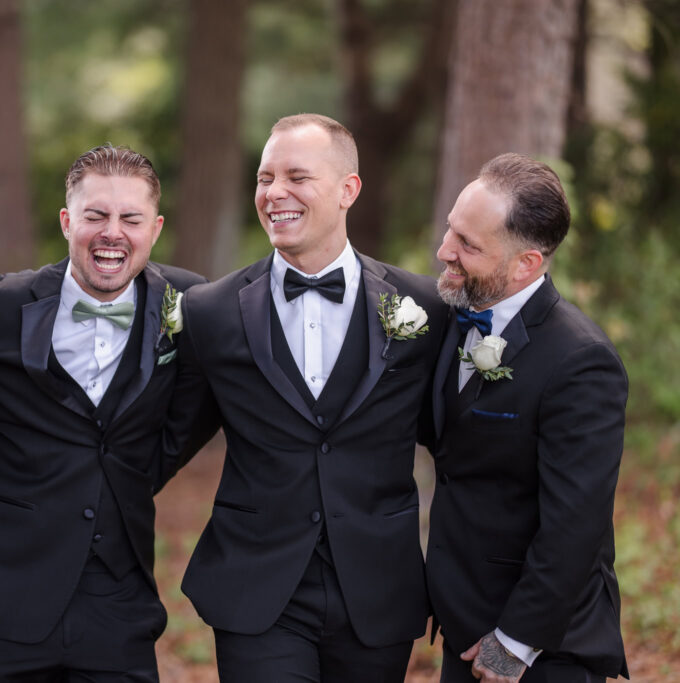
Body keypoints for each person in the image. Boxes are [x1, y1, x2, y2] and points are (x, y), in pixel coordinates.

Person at [172, 113, 449, 681]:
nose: (275, 194)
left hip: (377, 589)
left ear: (348, 190)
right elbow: (168, 438)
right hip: (258, 589)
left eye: (297, 177)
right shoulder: (211, 311)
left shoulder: (425, 309)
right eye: (264, 178)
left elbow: (457, 443)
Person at [0, 143, 213, 682]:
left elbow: (192, 416)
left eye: (130, 218)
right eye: (96, 216)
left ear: (155, 228)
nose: (112, 232)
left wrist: (126, 480)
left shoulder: (190, 305)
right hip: (4, 594)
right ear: (68, 221)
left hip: (119, 598)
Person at [425, 153, 628, 682]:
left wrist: (515, 643)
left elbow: (575, 524)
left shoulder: (581, 361)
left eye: (468, 245)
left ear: (527, 265)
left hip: (539, 648)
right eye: (452, 230)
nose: (445, 251)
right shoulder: (453, 312)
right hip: (462, 624)